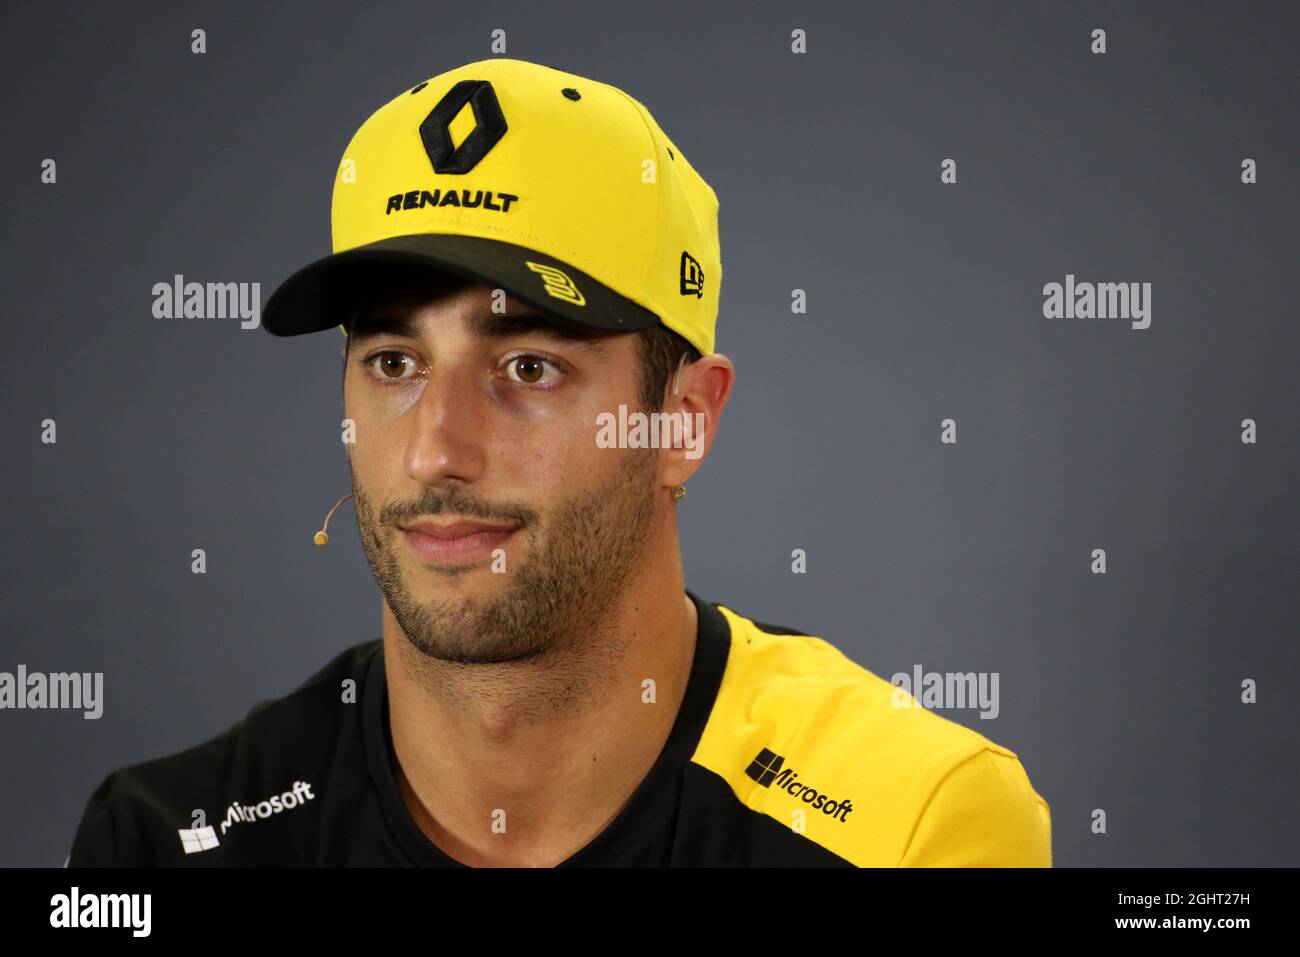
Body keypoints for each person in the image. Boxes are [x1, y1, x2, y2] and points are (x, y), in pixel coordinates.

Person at [67, 57, 1051, 867]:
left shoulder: (911, 827)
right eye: (394, 362)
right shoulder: (163, 842)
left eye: (528, 366)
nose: (434, 448)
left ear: (683, 421)